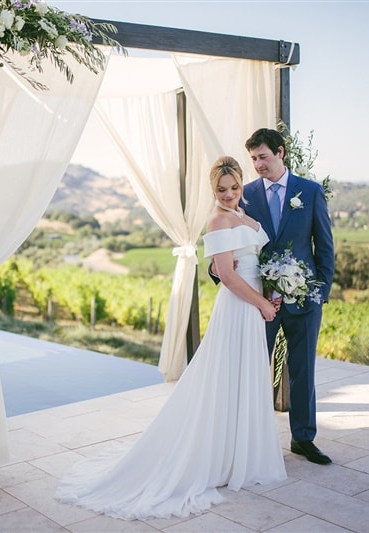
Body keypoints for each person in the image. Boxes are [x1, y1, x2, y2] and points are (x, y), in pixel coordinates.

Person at [55, 156, 286, 521]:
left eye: (234, 187)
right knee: (223, 378)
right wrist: (261, 303)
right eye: (221, 190)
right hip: (238, 308)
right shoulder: (217, 219)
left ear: (242, 184)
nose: (228, 194)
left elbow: (257, 263)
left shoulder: (248, 217)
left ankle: (238, 452)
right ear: (213, 191)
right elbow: (225, 275)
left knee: (244, 378)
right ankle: (217, 456)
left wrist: (273, 293)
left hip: (254, 305)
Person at [231, 127, 335, 465]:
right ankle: (251, 441)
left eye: (262, 157)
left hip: (304, 302)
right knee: (253, 370)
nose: (257, 165)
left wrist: (320, 291)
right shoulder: (243, 195)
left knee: (302, 371)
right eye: (253, 159)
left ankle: (303, 439)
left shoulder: (310, 191)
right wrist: (221, 273)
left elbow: (325, 246)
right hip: (259, 303)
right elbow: (227, 244)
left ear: (280, 153)